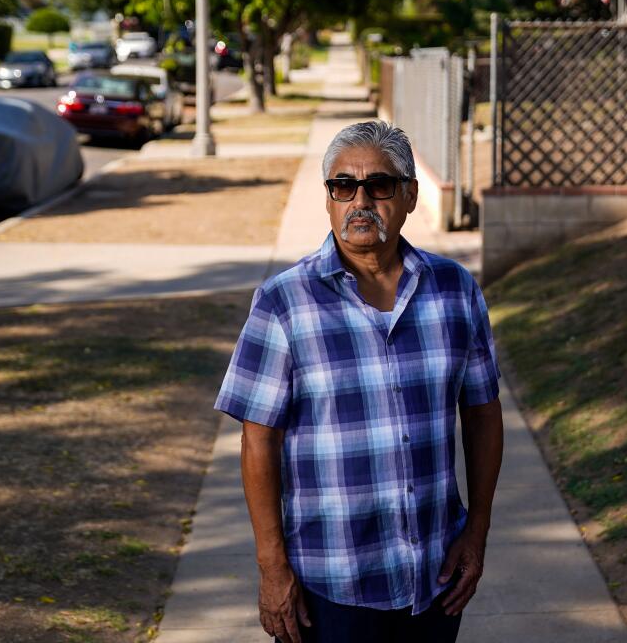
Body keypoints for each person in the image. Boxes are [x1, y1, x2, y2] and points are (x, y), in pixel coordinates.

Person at [214, 120, 504, 643]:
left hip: (436, 577)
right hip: (329, 583)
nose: (359, 200)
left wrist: (477, 531)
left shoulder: (455, 290)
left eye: (379, 185)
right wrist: (272, 567)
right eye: (343, 186)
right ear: (329, 199)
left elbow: (483, 414)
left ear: (410, 196)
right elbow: (258, 440)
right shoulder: (284, 303)